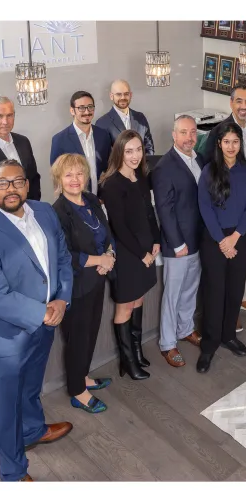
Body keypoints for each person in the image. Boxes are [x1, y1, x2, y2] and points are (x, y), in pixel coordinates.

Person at [0, 159, 74, 482]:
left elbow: (62, 257)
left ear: (27, 184)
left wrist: (63, 298)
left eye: (17, 181)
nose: (11, 189)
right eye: (3, 183)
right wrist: (43, 312)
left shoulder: (45, 212)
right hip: (2, 339)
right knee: (5, 408)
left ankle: (33, 431)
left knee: (30, 388)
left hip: (44, 326)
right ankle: (12, 473)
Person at [51, 154, 116, 413]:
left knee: (90, 332)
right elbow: (66, 254)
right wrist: (100, 258)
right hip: (75, 286)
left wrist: (109, 256)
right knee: (77, 338)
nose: (75, 179)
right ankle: (78, 392)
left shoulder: (90, 200)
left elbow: (107, 232)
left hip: (97, 279)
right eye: (68, 175)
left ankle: (83, 377)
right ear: (59, 180)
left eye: (79, 173)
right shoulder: (58, 211)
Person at [196, 122, 246, 373]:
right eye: (226, 142)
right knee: (214, 291)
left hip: (240, 237)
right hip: (214, 239)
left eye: (235, 141)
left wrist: (235, 237)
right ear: (219, 144)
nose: (231, 146)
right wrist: (222, 240)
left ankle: (228, 335)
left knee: (235, 289)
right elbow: (205, 208)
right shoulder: (209, 170)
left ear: (240, 144)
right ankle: (209, 345)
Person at [99, 130, 160, 380]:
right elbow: (119, 227)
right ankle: (128, 361)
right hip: (128, 254)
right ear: (120, 153)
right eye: (129, 151)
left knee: (138, 300)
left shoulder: (141, 176)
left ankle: (136, 351)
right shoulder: (111, 184)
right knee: (125, 307)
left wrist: (156, 240)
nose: (135, 156)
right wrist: (142, 254)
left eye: (138, 150)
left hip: (146, 250)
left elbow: (149, 212)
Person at [203, 84, 246, 319]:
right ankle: (232, 306)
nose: (244, 106)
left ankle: (241, 298)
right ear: (231, 103)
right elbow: (209, 168)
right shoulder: (219, 131)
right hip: (228, 205)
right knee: (230, 258)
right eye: (239, 101)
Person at [150, 116, 205, 369]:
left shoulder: (199, 159)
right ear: (174, 135)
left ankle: (185, 329)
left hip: (198, 240)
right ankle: (167, 343)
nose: (189, 138)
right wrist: (177, 243)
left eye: (193, 132)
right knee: (172, 295)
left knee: (190, 289)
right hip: (178, 245)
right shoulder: (164, 167)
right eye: (183, 132)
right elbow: (164, 209)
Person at [50, 91, 112, 195]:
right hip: (74, 199)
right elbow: (57, 176)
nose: (87, 111)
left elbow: (108, 168)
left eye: (90, 107)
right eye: (81, 108)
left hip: (100, 200)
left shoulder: (103, 135)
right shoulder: (59, 140)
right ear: (72, 110)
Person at [0, 95, 41, 200]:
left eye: (9, 115)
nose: (5, 121)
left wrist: (34, 203)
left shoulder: (23, 141)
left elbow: (33, 177)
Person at [95, 79, 155, 155]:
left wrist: (142, 165)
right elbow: (104, 155)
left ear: (131, 95)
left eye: (126, 94)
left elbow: (149, 148)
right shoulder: (102, 123)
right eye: (119, 94)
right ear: (111, 96)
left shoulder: (140, 118)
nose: (123, 97)